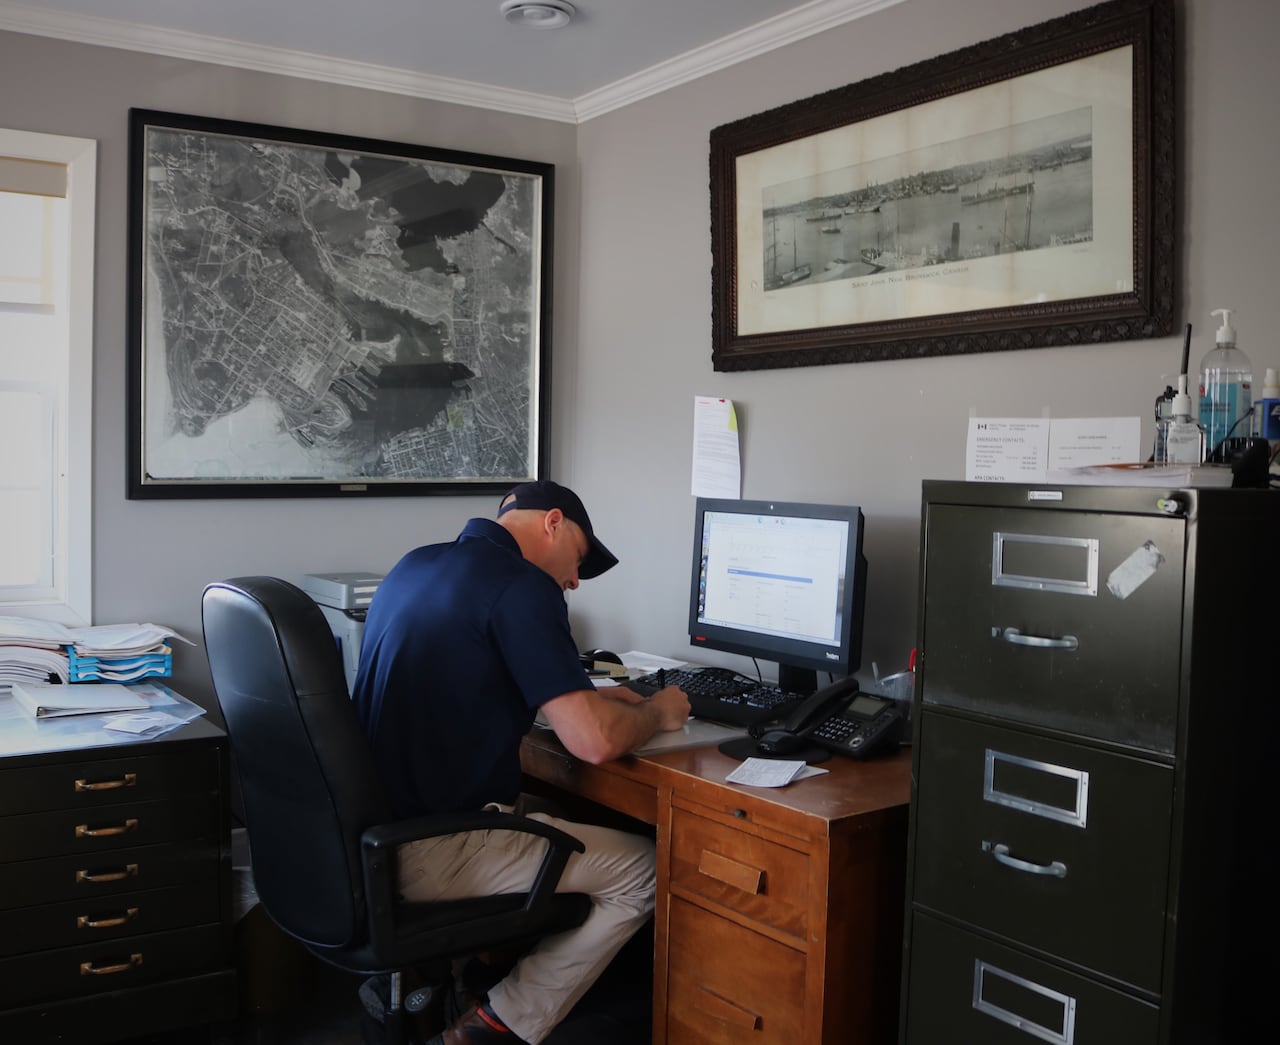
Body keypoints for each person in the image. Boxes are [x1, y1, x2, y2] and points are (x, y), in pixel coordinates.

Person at [352, 480, 690, 1045]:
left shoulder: (417, 565)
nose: (575, 580)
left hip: (380, 832)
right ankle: (494, 1025)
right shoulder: (522, 587)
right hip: (439, 845)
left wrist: (580, 697)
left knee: (578, 817)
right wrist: (658, 710)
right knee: (649, 870)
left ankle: (486, 974)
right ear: (553, 522)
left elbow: (462, 677)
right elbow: (594, 745)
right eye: (579, 558)